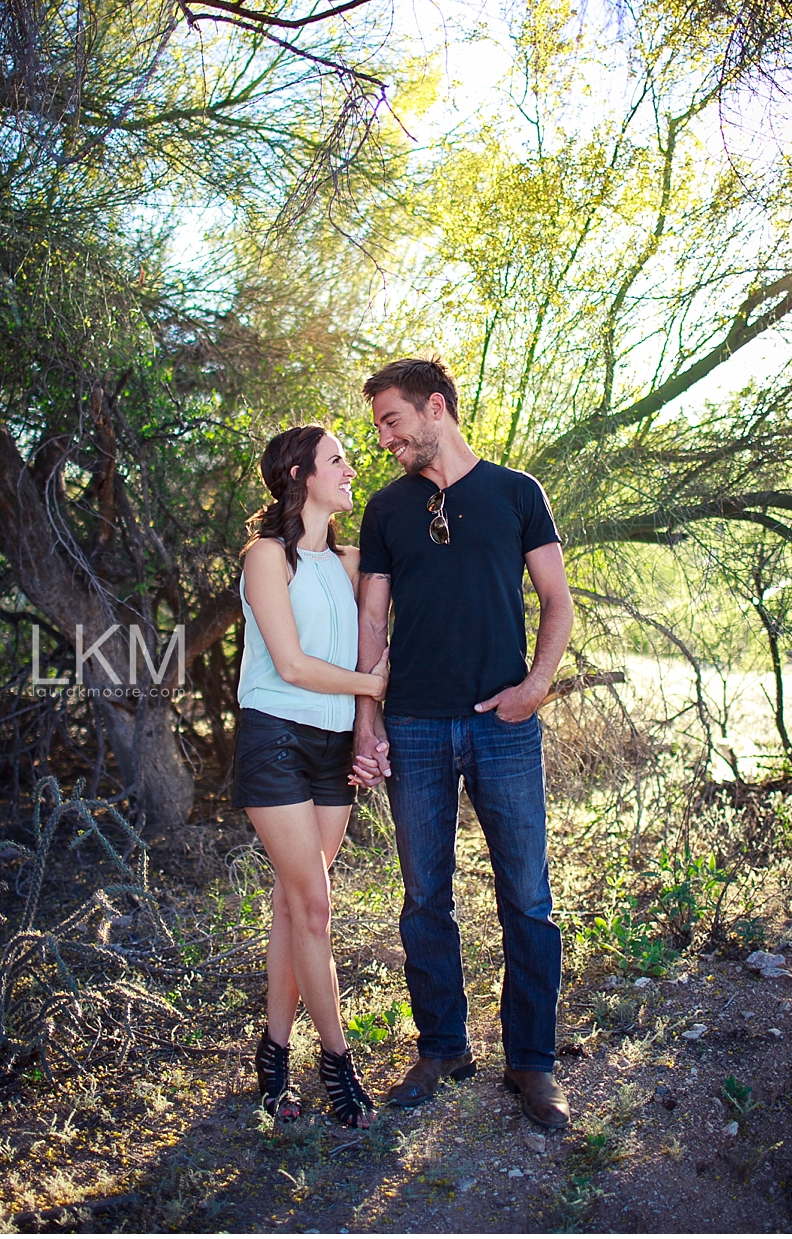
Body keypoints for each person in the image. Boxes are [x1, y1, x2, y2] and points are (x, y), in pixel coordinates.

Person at [351, 357, 575, 1129]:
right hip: (413, 722)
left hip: (503, 726)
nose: (383, 438)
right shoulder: (385, 508)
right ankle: (443, 1046)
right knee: (423, 897)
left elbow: (555, 598)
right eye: (379, 425)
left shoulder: (517, 493)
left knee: (528, 896)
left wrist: (536, 684)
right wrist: (366, 718)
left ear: (435, 407)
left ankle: (532, 1063)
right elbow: (371, 621)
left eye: (391, 420)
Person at [232, 424, 388, 1128]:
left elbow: (384, 629)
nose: (350, 469)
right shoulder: (267, 558)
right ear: (300, 474)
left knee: (297, 907)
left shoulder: (351, 561)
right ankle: (337, 1062)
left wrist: (367, 716)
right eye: (337, 460)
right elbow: (291, 665)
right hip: (276, 740)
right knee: (316, 908)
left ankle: (272, 1052)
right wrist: (371, 684)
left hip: (332, 749)